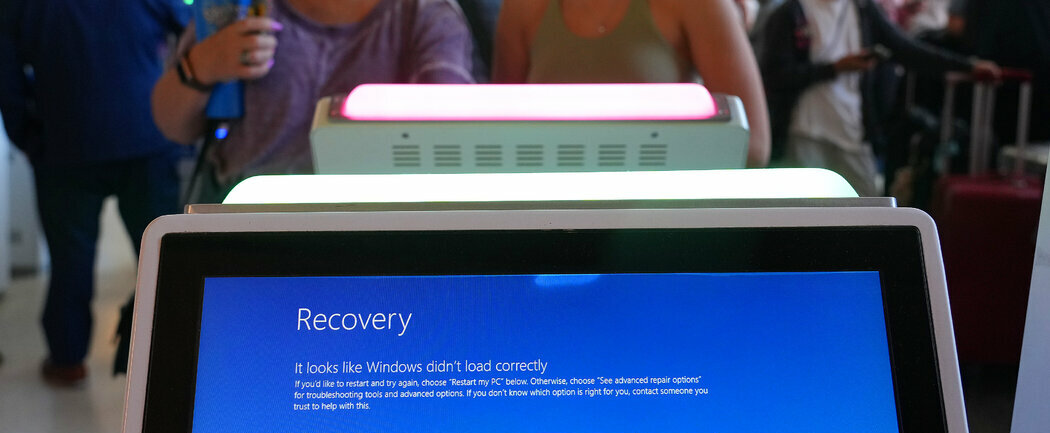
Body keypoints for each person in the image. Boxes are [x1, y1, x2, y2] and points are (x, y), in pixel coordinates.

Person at [0, 0, 191, 386]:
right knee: (164, 259)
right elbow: (195, 32)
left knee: (70, 260)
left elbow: (7, 78)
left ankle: (67, 360)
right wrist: (184, 109)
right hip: (147, 137)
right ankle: (177, 358)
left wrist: (30, 138)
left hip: (64, 145)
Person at [152, 0, 474, 198]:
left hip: (370, 225)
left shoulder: (425, 15)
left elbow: (453, 144)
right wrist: (205, 64)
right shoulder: (238, 6)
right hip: (245, 215)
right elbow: (171, 125)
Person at [759, 0, 998, 196]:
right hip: (804, 132)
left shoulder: (861, 9)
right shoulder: (791, 12)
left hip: (852, 129)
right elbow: (775, 75)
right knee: (805, 213)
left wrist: (967, 66)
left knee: (868, 210)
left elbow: (904, 48)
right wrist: (835, 68)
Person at [492, 0, 771, 168]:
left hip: (658, 217)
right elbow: (495, 132)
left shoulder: (698, 5)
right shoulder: (521, 7)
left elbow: (753, 144)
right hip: (550, 215)